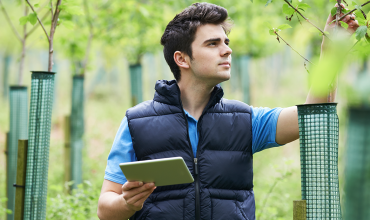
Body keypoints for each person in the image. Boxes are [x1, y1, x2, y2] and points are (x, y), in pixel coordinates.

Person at [97, 2, 358, 220]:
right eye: (213, 44)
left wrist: (330, 52)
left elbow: (310, 117)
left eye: (226, 41)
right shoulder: (137, 122)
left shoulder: (244, 120)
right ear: (182, 59)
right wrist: (128, 204)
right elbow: (105, 208)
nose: (228, 49)